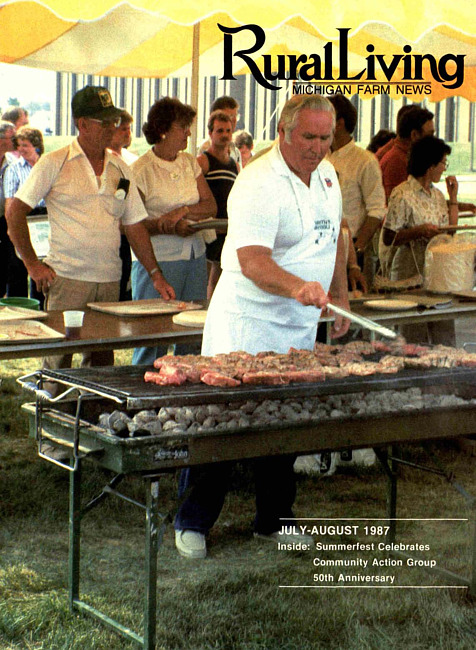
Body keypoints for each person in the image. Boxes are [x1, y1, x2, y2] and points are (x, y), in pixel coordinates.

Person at [174, 94, 350, 560]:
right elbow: (252, 261)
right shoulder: (256, 183)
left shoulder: (329, 175)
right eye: (308, 137)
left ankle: (274, 519)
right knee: (224, 420)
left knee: (283, 421)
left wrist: (342, 295)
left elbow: (336, 237)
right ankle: (192, 520)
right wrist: (297, 287)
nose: (317, 147)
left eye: (325, 138)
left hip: (296, 323)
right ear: (283, 133)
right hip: (246, 322)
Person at [6, 85, 174, 377]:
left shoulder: (121, 168)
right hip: (67, 278)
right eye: (104, 121)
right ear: (82, 124)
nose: (113, 127)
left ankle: (94, 418)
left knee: (101, 366)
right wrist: (32, 264)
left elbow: (134, 225)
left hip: (109, 281)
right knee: (58, 360)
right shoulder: (54, 162)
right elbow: (15, 212)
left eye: (114, 120)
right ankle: (51, 413)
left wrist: (156, 275)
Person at [131, 97, 217, 365]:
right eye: (184, 127)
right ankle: (142, 395)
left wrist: (182, 212)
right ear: (164, 129)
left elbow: (210, 205)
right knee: (152, 337)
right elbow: (133, 223)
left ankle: (184, 394)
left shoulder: (189, 162)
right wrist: (164, 224)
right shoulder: (141, 169)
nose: (189, 133)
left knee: (191, 335)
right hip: (158, 261)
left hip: (194, 257)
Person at [381, 135, 458, 344]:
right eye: (442, 163)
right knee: (413, 335)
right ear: (429, 165)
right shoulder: (402, 194)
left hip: (435, 272)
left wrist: (453, 198)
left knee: (444, 331)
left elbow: (449, 233)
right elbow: (388, 236)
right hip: (409, 272)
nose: (444, 168)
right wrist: (419, 231)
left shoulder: (437, 195)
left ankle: (444, 373)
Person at [327, 95, 386, 291]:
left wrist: (357, 250)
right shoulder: (320, 155)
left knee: (348, 307)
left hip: (351, 243)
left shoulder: (364, 160)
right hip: (321, 243)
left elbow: (376, 211)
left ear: (339, 123)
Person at [197, 110, 239, 298]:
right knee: (204, 279)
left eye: (227, 131)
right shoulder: (203, 161)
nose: (224, 135)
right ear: (210, 133)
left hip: (227, 228)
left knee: (221, 278)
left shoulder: (234, 164)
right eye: (219, 131)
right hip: (208, 229)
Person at [3, 126, 46, 303]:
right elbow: (10, 202)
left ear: (36, 146)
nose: (21, 149)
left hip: (45, 220)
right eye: (19, 145)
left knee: (43, 269)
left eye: (25, 145)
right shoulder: (13, 169)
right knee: (18, 270)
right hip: (23, 219)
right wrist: (11, 228)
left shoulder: (46, 166)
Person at [109, 108, 138, 301]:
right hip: (113, 230)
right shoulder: (105, 159)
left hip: (131, 228)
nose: (127, 133)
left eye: (129, 129)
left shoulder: (132, 159)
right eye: (123, 129)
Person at [379, 106, 435, 202]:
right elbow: (400, 205)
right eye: (430, 135)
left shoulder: (403, 157)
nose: (434, 140)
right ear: (414, 135)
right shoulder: (397, 162)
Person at [198, 95, 242, 167]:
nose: (234, 120)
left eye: (236, 116)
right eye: (230, 116)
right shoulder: (205, 150)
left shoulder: (235, 150)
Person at [0, 120, 16, 297]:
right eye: (13, 137)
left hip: (4, 220)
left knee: (4, 263)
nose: (16, 141)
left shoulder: (11, 162)